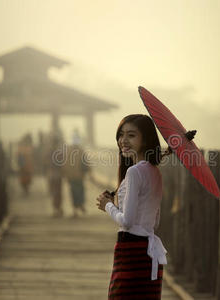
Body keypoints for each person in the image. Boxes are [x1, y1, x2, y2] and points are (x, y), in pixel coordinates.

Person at [96, 114, 167, 299]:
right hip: (150, 253)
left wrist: (108, 206)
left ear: (146, 140)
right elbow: (155, 221)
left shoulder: (134, 172)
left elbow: (127, 222)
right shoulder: (156, 173)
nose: (123, 141)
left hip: (131, 251)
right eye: (121, 135)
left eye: (131, 135)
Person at [64, 129, 89, 217]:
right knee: (79, 191)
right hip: (78, 176)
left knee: (74, 192)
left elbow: (65, 164)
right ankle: (80, 206)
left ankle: (76, 209)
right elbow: (86, 163)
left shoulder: (68, 150)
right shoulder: (81, 150)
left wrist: (65, 174)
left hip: (73, 176)